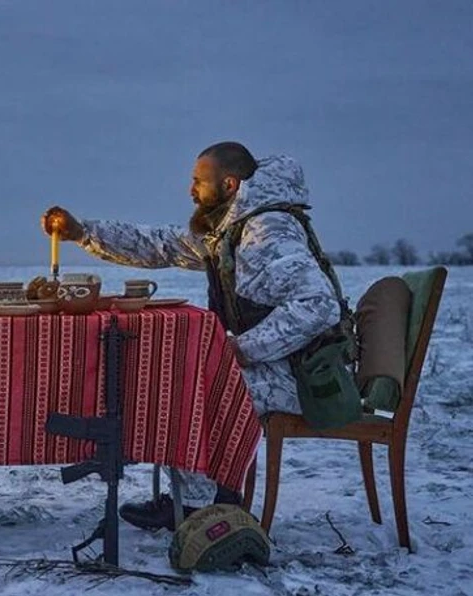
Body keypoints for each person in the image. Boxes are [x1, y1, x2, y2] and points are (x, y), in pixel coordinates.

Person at [41, 141, 346, 530]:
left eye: (198, 182)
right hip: (286, 367)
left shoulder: (267, 232)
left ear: (230, 184)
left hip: (307, 380)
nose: (191, 191)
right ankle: (203, 499)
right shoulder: (233, 229)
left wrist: (244, 350)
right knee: (185, 377)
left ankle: (198, 507)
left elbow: (318, 305)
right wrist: (84, 233)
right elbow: (161, 245)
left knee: (190, 388)